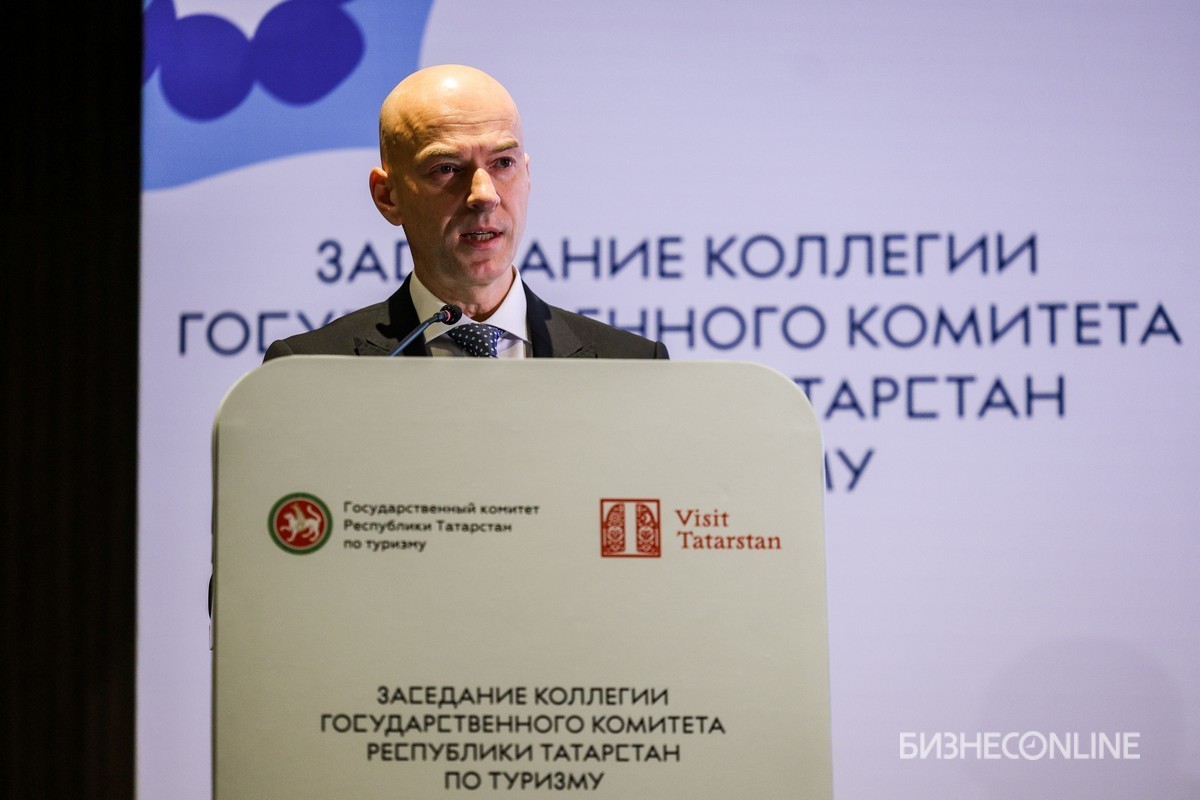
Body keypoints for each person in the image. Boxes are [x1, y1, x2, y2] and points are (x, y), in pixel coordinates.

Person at [263, 64, 668, 360]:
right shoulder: (308, 372)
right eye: (446, 169)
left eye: (503, 163)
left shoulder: (631, 366)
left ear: (527, 175)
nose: (484, 195)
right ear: (387, 196)